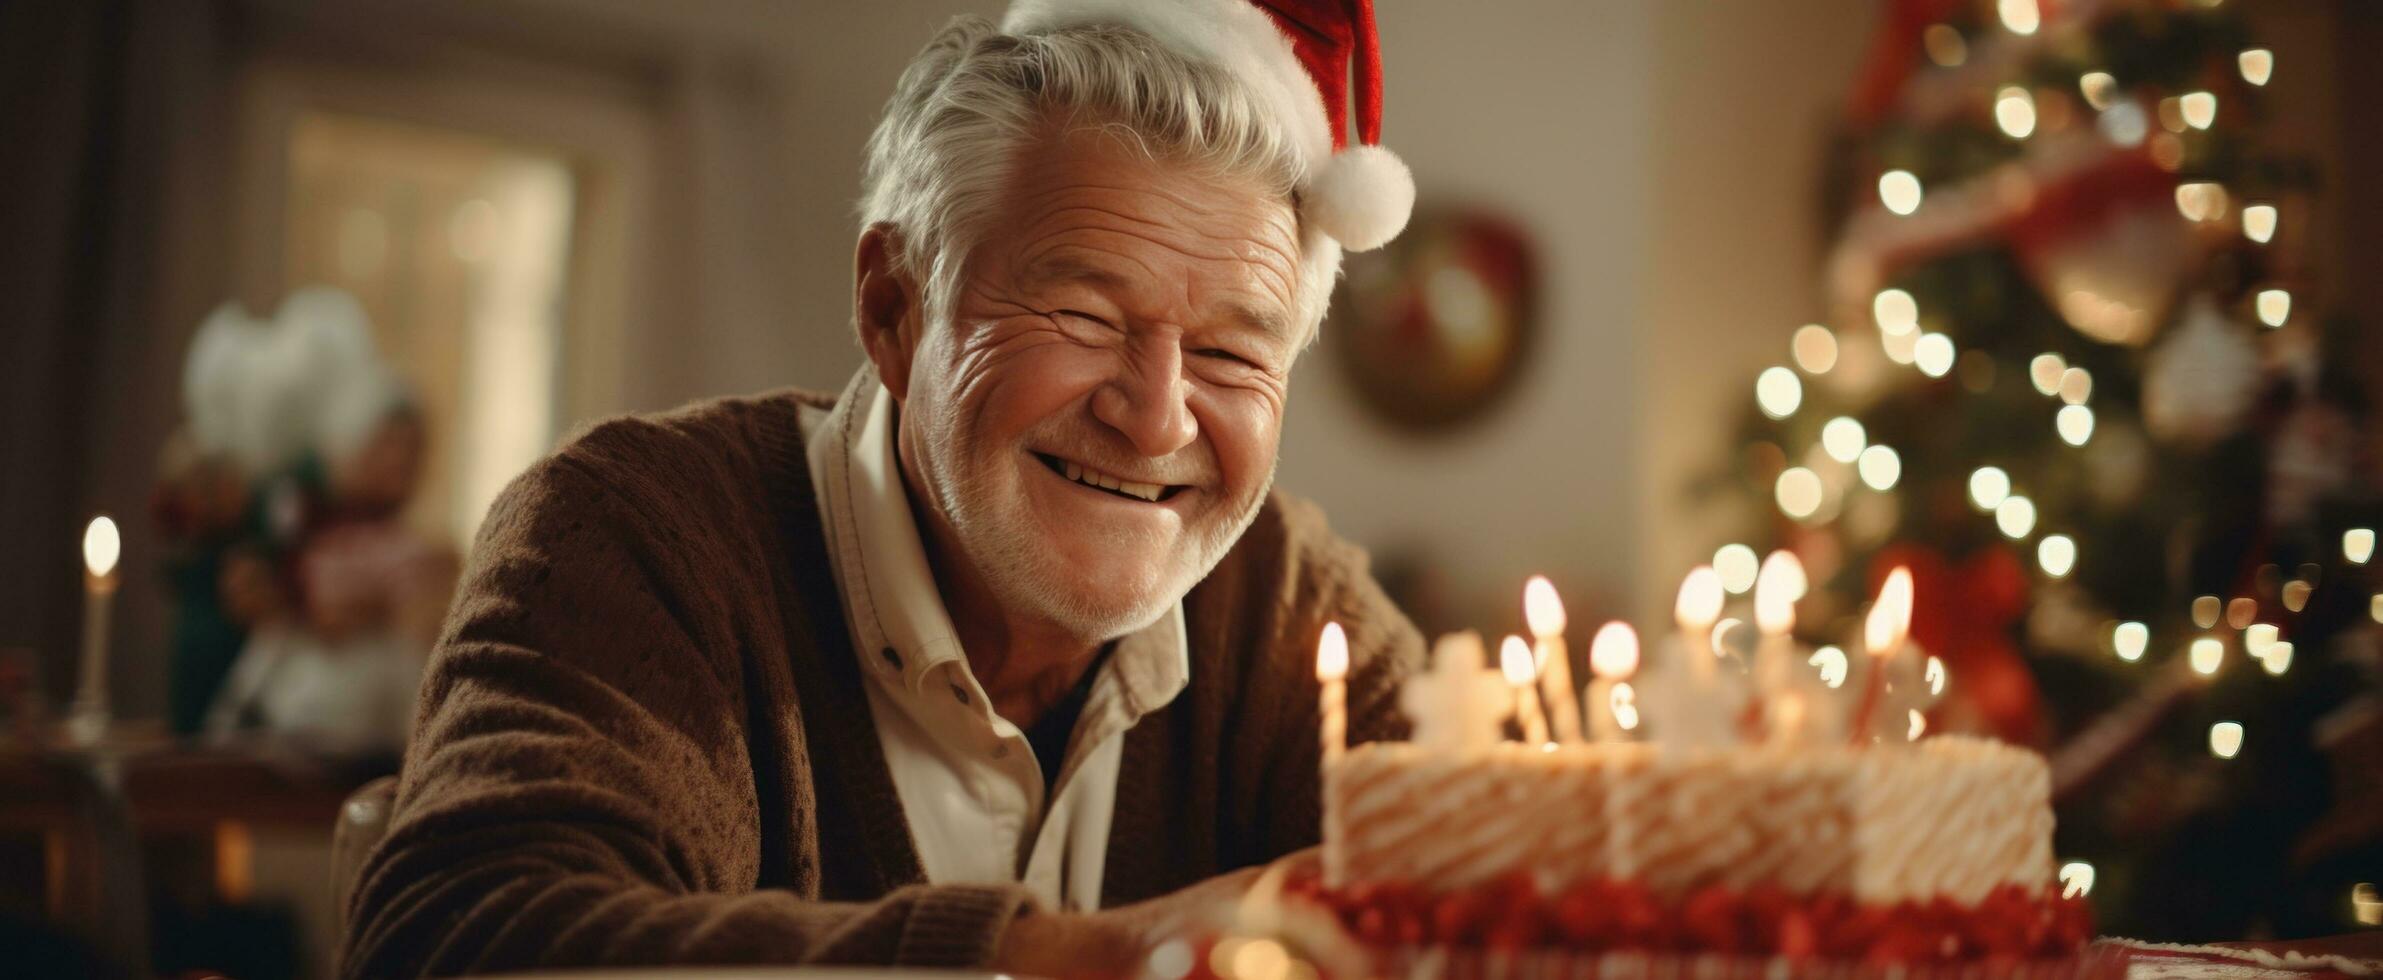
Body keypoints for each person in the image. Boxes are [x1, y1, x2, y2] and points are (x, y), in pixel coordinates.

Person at [342, 0, 1423, 975]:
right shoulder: (630, 532)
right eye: (1085, 316)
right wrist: (1086, 952)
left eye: (1233, 356)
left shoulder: (1290, 605)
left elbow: (1512, 885)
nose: (1155, 416)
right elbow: (455, 934)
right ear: (895, 307)